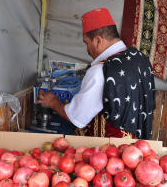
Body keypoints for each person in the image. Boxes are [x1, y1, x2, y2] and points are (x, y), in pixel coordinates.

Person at [36, 8, 155, 139]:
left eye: (87, 43)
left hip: (109, 152)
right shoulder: (141, 60)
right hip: (138, 147)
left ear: (98, 40)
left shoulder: (101, 70)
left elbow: (76, 116)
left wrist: (52, 101)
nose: (87, 49)